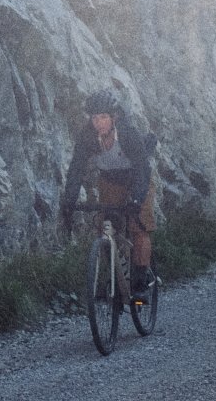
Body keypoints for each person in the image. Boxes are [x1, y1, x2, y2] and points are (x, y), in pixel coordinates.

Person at [59, 90, 157, 301]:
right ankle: (114, 277)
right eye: (94, 118)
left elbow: (142, 169)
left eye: (103, 117)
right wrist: (69, 201)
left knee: (138, 227)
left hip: (137, 177)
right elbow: (76, 169)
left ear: (114, 117)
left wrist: (137, 200)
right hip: (110, 180)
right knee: (107, 228)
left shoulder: (127, 134)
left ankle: (140, 283)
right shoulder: (87, 136)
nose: (99, 122)